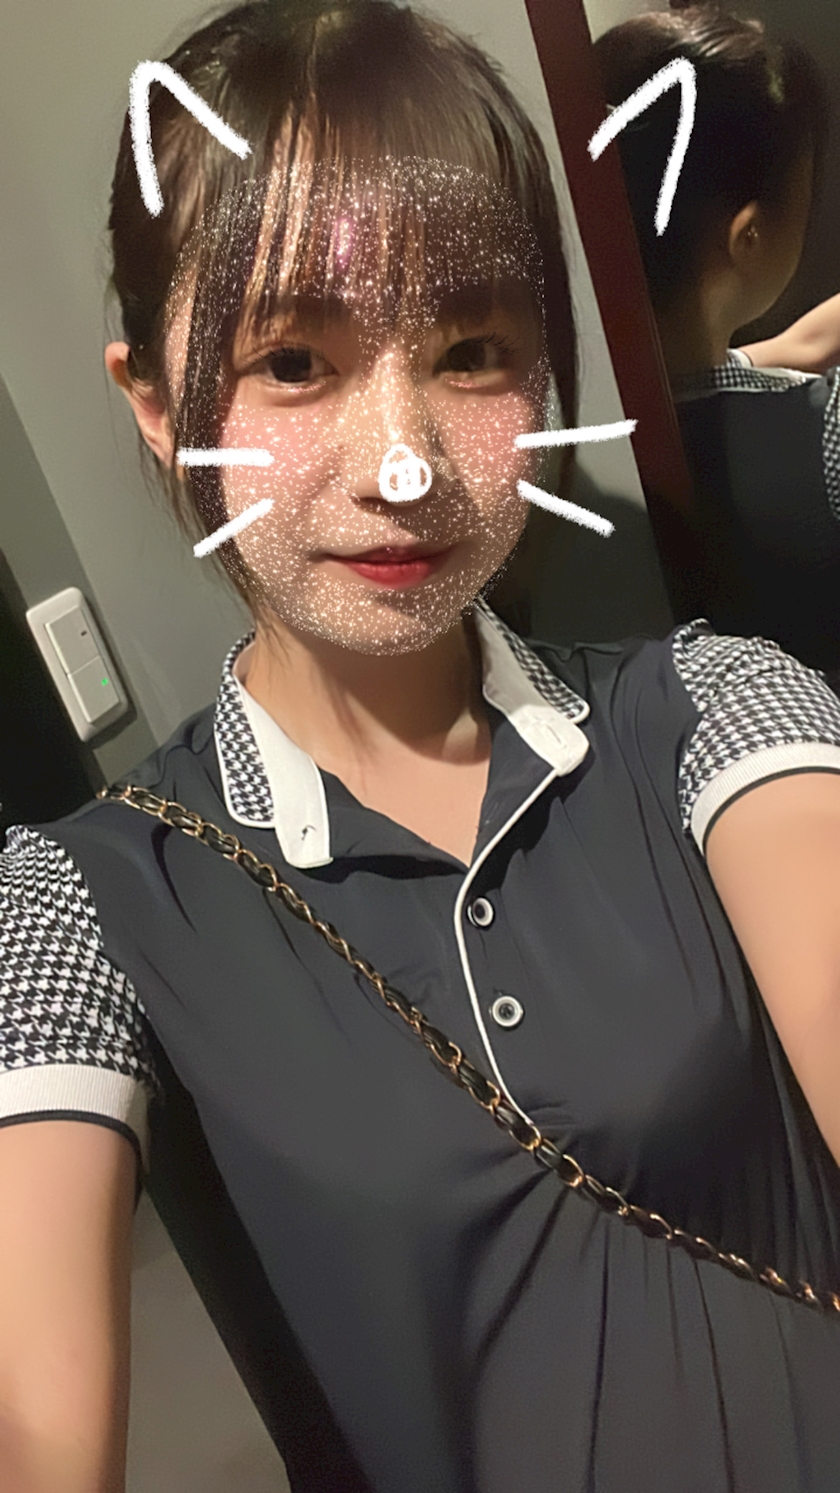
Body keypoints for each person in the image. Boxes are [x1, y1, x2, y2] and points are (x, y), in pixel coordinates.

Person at [1, 3, 840, 1490]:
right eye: (293, 362)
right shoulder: (84, 903)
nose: (402, 463)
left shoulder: (715, 706)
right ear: (155, 404)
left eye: (471, 351)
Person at [595, 6, 840, 679]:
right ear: (749, 237)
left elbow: (729, 380)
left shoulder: (591, 423)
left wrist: (780, 354)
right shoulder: (822, 433)